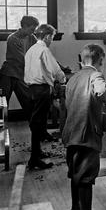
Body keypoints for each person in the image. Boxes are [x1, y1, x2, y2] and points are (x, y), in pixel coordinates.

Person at [61, 44, 106, 210]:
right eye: (103, 60)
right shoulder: (95, 75)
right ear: (99, 59)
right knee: (85, 178)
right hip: (86, 133)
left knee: (76, 172)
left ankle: (76, 209)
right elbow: (103, 93)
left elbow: (67, 104)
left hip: (71, 132)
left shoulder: (73, 77)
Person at [24, 24, 66, 169]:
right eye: (52, 38)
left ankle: (37, 152)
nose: (51, 40)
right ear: (47, 36)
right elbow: (55, 69)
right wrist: (63, 80)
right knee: (38, 123)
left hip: (31, 89)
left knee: (38, 122)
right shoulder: (44, 50)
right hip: (41, 89)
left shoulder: (31, 50)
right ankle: (34, 160)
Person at [0, 15, 38, 121]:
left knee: (29, 102)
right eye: (31, 29)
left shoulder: (32, 38)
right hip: (8, 74)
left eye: (34, 29)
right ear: (24, 26)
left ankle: (37, 130)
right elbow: (23, 59)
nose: (33, 32)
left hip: (20, 74)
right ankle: (0, 134)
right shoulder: (12, 39)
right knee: (2, 104)